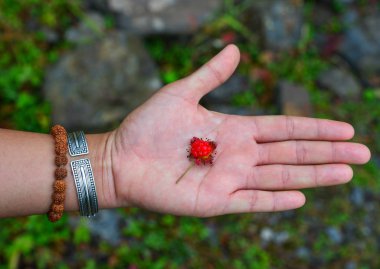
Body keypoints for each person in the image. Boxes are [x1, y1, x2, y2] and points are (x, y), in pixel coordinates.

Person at [0, 45, 371, 219]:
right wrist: (109, 166)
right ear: (200, 151)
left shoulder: (202, 152)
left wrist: (108, 164)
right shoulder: (198, 151)